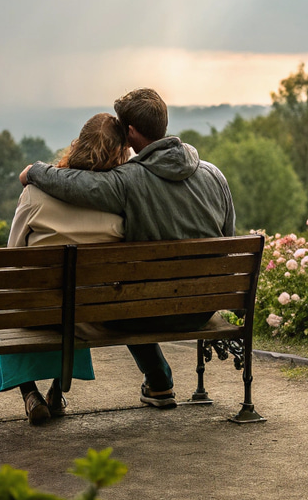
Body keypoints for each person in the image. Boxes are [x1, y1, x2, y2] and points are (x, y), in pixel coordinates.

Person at [19, 88, 235, 409]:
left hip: (146, 312)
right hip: (202, 307)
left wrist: (35, 170)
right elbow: (229, 239)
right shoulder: (214, 175)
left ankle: (159, 379)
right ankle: (158, 383)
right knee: (140, 297)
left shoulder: (126, 181)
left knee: (125, 302)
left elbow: (71, 183)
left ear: (131, 132)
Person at [0, 112, 128, 425]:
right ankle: (57, 390)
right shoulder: (122, 202)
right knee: (76, 298)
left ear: (77, 146)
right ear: (121, 154)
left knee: (24, 302)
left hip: (38, 310)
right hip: (92, 312)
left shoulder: (35, 195)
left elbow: (13, 258)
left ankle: (30, 394)